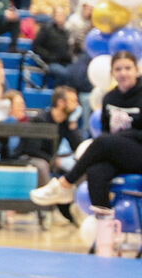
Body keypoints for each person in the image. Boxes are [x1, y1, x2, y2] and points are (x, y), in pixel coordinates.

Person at [31, 52, 142, 209]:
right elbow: (105, 130)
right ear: (112, 73)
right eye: (118, 69)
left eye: (127, 68)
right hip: (119, 154)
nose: (123, 73)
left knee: (103, 141)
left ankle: (65, 183)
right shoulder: (109, 98)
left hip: (139, 152)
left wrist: (123, 136)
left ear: (136, 70)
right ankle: (104, 224)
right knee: (96, 172)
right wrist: (114, 141)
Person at [18, 85, 84, 194]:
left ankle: (73, 205)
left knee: (80, 168)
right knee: (42, 165)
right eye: (73, 101)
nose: (77, 105)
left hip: (50, 159)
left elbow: (78, 147)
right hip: (29, 157)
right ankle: (46, 206)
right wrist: (53, 160)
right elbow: (32, 149)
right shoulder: (41, 119)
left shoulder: (65, 123)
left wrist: (73, 124)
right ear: (61, 103)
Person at [31, 8, 73, 87]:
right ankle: (58, 93)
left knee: (77, 73)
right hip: (51, 62)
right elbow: (35, 46)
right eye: (58, 15)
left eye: (63, 15)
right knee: (64, 74)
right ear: (53, 17)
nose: (61, 17)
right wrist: (48, 56)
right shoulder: (46, 29)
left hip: (66, 62)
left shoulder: (67, 31)